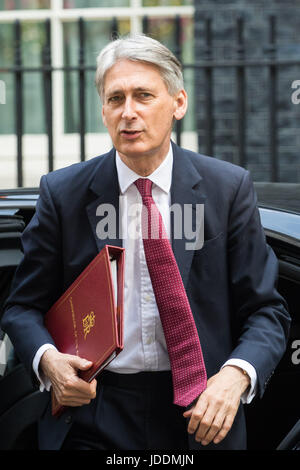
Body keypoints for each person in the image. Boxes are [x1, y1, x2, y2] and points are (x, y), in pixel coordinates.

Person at [1, 34, 290, 451]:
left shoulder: (226, 189)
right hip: (95, 411)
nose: (129, 113)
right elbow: (21, 307)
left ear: (178, 103)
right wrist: (49, 362)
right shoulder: (63, 194)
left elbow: (267, 310)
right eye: (115, 99)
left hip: (202, 411)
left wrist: (235, 375)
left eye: (143, 95)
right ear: (103, 111)